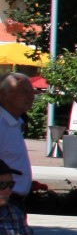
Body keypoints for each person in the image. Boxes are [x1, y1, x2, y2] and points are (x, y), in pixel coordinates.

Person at [0, 73, 36, 202]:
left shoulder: (16, 122)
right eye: (24, 92)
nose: (31, 97)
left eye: (32, 92)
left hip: (15, 200)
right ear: (4, 94)